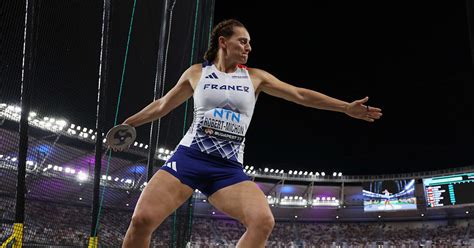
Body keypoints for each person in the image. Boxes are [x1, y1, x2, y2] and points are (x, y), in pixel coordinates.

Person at [120, 19, 382, 248]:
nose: (249, 47)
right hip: (189, 158)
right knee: (142, 220)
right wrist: (129, 123)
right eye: (243, 41)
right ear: (223, 42)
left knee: (262, 221)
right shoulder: (197, 73)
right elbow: (163, 105)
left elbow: (301, 95)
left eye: (249, 43)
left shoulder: (256, 78)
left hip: (228, 169)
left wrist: (345, 107)